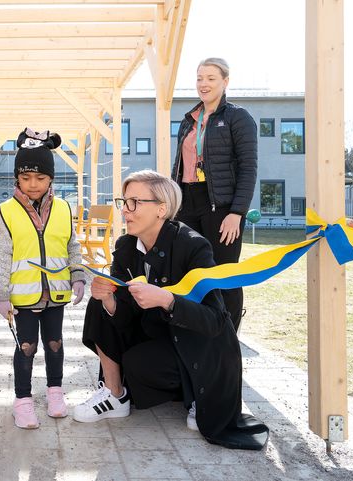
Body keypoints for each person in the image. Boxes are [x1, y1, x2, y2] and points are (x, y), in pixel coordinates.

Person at [73, 170, 268, 450]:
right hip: (158, 332)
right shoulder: (126, 246)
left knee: (142, 363)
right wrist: (110, 301)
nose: (125, 211)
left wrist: (167, 300)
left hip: (199, 340)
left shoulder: (193, 245)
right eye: (123, 202)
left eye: (134, 203)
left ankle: (199, 396)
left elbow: (214, 321)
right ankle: (115, 395)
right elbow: (126, 313)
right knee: (99, 303)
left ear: (161, 209)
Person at [0, 128, 85, 429]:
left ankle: (55, 391)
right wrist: (1, 295)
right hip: (23, 296)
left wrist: (78, 275)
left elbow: (72, 245)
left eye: (40, 178)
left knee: (55, 343)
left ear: (51, 179)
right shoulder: (5, 211)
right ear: (17, 178)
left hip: (56, 294)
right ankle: (23, 400)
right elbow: (0, 254)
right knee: (26, 346)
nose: (33, 184)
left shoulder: (63, 208)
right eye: (26, 177)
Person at [171, 57, 258, 332]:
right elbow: (179, 167)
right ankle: (201, 327)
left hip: (221, 206)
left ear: (225, 82)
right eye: (199, 78)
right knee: (193, 268)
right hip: (188, 201)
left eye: (210, 78)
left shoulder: (237, 117)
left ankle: (229, 333)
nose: (203, 84)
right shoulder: (189, 121)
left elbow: (248, 168)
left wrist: (236, 213)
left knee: (224, 271)